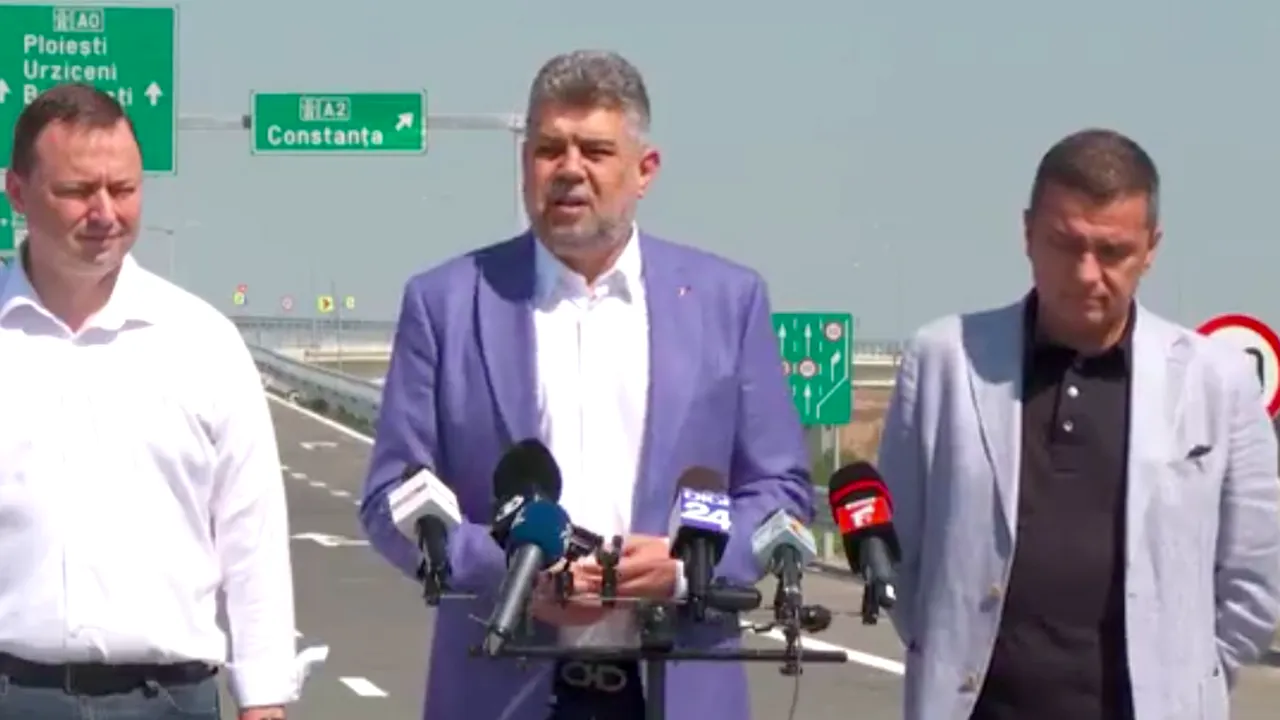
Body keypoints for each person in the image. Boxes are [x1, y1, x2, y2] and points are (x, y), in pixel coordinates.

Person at [359, 49, 812, 720]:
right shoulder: (446, 303)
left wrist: (685, 568)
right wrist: (514, 568)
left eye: (596, 151)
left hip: (675, 686)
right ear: (525, 165)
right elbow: (391, 498)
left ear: (644, 170)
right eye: (550, 150)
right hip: (501, 688)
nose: (570, 169)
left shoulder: (729, 301)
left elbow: (780, 492)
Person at [879, 127, 1280, 720]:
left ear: (1151, 248)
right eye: (1066, 245)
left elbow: (1254, 577)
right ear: (1027, 234)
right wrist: (946, 650)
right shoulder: (945, 361)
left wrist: (1185, 680)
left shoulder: (1216, 382)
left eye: (1113, 252)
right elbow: (898, 554)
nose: (1088, 273)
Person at [0, 83, 297, 720]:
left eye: (124, 189)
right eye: (78, 190)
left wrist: (265, 698)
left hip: (167, 700)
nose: (105, 212)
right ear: (17, 193)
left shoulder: (202, 343)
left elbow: (252, 536)